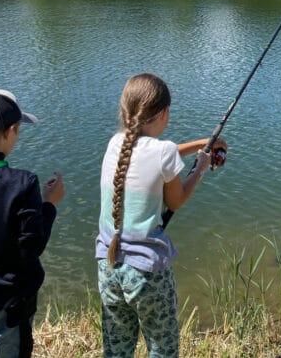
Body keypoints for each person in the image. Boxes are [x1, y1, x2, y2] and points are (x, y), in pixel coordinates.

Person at [95, 73, 227, 358]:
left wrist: (202, 144)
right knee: (162, 348)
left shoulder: (115, 143)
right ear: (164, 112)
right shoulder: (162, 151)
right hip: (146, 273)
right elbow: (176, 201)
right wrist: (199, 169)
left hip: (107, 264)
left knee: (117, 348)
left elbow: (157, 156)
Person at [0, 89, 65, 357]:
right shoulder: (22, 184)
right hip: (7, 308)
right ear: (10, 132)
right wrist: (48, 204)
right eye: (19, 130)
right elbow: (31, 247)